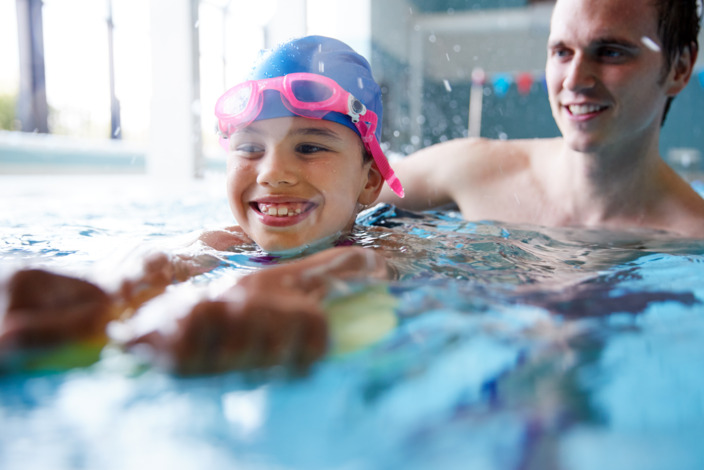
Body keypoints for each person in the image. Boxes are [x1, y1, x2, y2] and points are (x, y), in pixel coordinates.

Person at [0, 35, 404, 375]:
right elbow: (170, 261)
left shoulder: (384, 246)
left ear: (369, 181)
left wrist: (272, 283)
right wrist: (112, 292)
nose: (271, 173)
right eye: (249, 148)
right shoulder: (227, 241)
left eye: (309, 146)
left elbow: (364, 266)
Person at [378, 0, 704, 238]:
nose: (574, 80)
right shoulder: (472, 170)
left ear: (680, 67)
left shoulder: (693, 237)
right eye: (562, 52)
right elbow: (345, 197)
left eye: (610, 52)